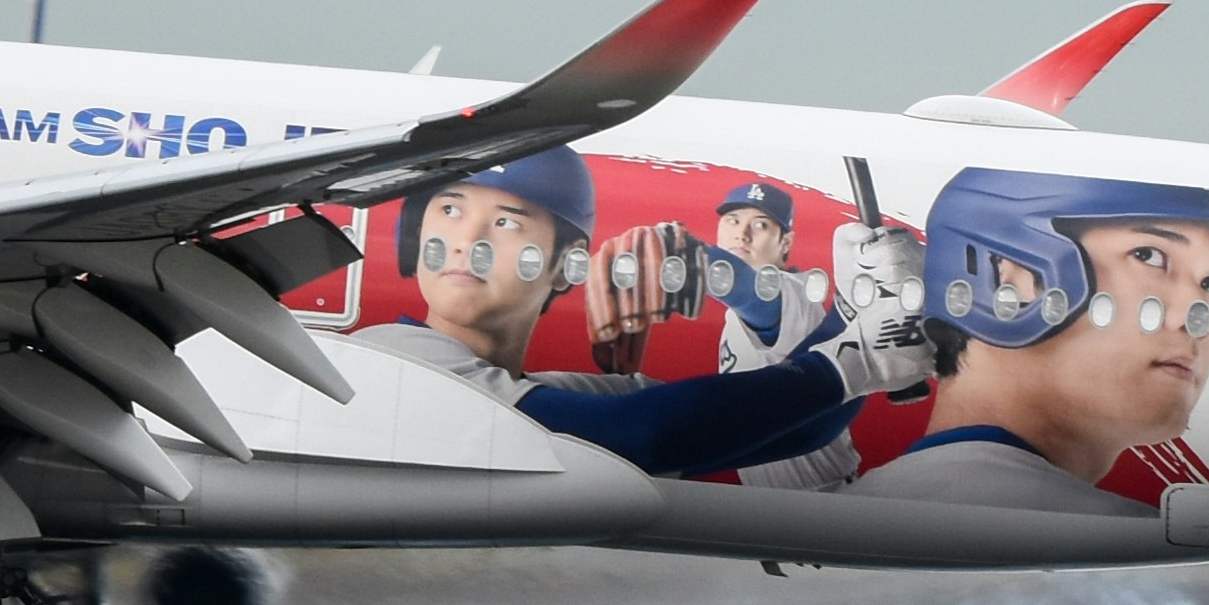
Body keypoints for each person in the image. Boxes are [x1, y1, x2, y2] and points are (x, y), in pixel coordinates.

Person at [351, 147, 929, 477]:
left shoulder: (526, 389)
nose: (465, 240)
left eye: (505, 222)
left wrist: (853, 319)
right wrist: (854, 361)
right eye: (449, 209)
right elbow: (648, 435)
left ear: (563, 263)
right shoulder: (398, 361)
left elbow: (788, 430)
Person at [850, 169, 1209, 514]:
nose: (1194, 318)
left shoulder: (862, 501)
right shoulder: (1113, 540)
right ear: (1006, 276)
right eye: (1150, 255)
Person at [704, 177, 861, 490]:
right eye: (732, 220)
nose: (741, 233)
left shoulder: (790, 297)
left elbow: (741, 286)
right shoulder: (739, 312)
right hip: (778, 501)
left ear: (786, 242)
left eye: (760, 224)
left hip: (822, 499)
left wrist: (674, 249)